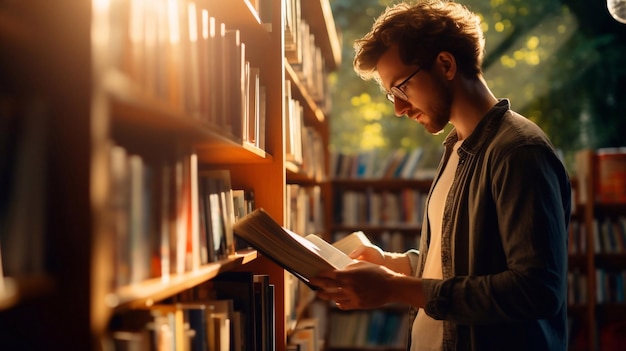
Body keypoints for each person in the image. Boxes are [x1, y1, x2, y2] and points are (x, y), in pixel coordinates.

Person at [309, 1, 572, 350]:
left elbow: (537, 291)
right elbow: (459, 266)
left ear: (446, 65)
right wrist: (397, 264)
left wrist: (393, 287)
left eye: (401, 88)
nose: (398, 108)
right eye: (391, 94)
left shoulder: (518, 152)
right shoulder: (455, 150)